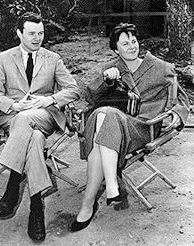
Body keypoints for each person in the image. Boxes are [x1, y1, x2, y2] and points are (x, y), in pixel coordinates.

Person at [70, 23, 190, 232]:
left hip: (142, 127)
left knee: (104, 118)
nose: (132, 46)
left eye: (134, 41)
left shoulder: (160, 67)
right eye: (125, 44)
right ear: (116, 49)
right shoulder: (111, 68)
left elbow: (180, 98)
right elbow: (89, 96)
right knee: (103, 115)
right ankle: (104, 192)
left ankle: (94, 199)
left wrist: (177, 116)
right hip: (112, 127)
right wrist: (106, 80)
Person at [0, 12, 80, 242]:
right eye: (32, 34)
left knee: (27, 121)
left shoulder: (53, 58)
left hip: (44, 114)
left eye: (41, 33)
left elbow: (74, 89)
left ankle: (12, 187)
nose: (38, 38)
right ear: (19, 33)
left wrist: (48, 100)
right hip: (13, 116)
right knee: (34, 138)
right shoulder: (4, 59)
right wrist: (14, 105)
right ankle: (36, 208)